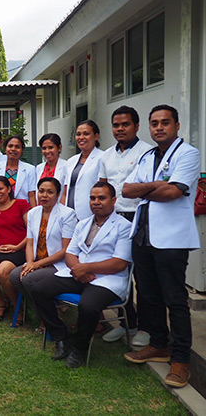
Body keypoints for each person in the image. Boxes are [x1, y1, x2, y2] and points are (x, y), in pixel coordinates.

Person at [122, 104, 201, 388]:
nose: (159, 127)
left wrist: (148, 187)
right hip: (143, 235)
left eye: (165, 122)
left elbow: (173, 192)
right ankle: (158, 344)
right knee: (148, 294)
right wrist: (157, 184)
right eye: (154, 123)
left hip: (171, 240)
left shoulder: (188, 154)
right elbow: (126, 190)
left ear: (176, 125)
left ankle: (180, 360)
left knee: (175, 299)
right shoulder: (147, 156)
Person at [31, 182, 132, 368]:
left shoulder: (124, 227)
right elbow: (70, 253)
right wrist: (79, 269)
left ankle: (79, 349)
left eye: (101, 198)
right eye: (92, 198)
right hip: (78, 273)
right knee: (39, 289)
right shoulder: (84, 223)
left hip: (107, 280)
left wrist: (85, 268)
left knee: (88, 305)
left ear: (113, 200)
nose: (96, 202)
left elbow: (120, 263)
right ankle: (61, 338)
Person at [98, 106, 152, 347]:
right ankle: (128, 323)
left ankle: (146, 328)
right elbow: (103, 188)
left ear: (136, 126)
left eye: (125, 124)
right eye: (116, 125)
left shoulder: (147, 153)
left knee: (142, 276)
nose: (120, 129)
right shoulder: (106, 156)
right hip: (113, 219)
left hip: (139, 218)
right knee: (118, 274)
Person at [9, 178, 77, 328]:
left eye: (50, 192)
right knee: (14, 275)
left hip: (58, 264)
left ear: (58, 195)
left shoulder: (67, 214)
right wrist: (30, 263)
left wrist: (37, 264)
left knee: (29, 279)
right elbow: (30, 242)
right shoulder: (33, 213)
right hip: (36, 262)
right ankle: (46, 308)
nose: (44, 195)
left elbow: (66, 250)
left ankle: (46, 318)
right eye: (41, 191)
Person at [0, 176, 31, 324]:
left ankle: (17, 308)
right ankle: (1, 303)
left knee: (3, 271)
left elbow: (31, 232)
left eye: (0, 188)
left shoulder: (21, 204)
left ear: (9, 189)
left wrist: (17, 247)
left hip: (19, 249)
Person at [61, 120, 104, 220]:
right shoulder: (71, 161)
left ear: (96, 136)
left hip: (91, 214)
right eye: (78, 134)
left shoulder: (103, 158)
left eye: (86, 134)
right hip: (69, 216)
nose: (81, 137)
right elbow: (65, 191)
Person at [0, 135, 37, 206]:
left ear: (22, 150)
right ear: (5, 149)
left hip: (22, 209)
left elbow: (31, 195)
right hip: (1, 208)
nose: (13, 149)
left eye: (17, 147)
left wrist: (34, 212)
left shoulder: (30, 169)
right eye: (10, 146)